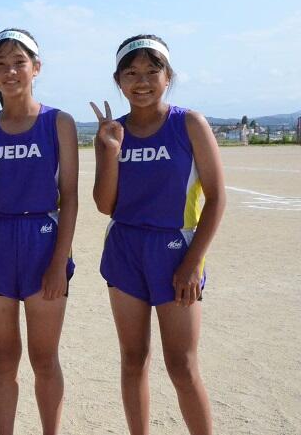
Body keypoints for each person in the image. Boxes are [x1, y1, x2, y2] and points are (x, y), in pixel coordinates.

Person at [90, 34, 225, 435]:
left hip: (174, 250)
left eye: (152, 71)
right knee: (133, 359)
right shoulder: (112, 131)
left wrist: (192, 263)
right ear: (118, 80)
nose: (142, 81)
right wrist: (110, 151)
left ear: (168, 77)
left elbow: (217, 198)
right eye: (131, 73)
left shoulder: (189, 123)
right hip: (125, 249)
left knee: (182, 365)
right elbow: (105, 204)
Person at [0, 29, 79, 435]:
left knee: (44, 358)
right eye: (0, 65)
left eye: (19, 62)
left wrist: (58, 263)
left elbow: (70, 198)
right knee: (4, 358)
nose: (10, 71)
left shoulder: (58, 123)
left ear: (36, 68)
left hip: (43, 243)